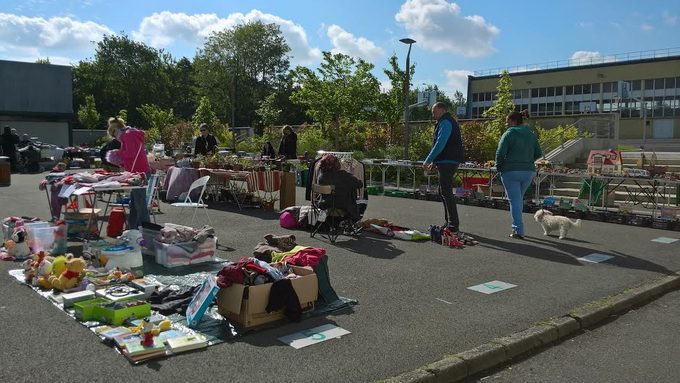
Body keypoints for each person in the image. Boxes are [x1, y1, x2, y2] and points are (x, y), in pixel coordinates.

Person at [422, 102, 475, 244]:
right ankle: (449, 223)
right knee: (443, 191)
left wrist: (428, 160)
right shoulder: (446, 121)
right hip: (447, 160)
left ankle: (453, 225)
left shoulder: (445, 122)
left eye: (434, 111)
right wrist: (435, 161)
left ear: (442, 109)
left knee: (446, 191)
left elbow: (441, 143)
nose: (433, 114)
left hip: (448, 160)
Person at [495, 110, 542, 239]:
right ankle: (517, 227)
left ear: (513, 121)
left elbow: (500, 153)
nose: (506, 124)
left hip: (510, 171)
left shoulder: (509, 134)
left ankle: (518, 230)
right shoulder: (531, 134)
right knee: (518, 199)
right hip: (528, 171)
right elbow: (538, 153)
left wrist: (499, 167)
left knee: (515, 201)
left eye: (507, 121)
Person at [107, 117, 151, 229]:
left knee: (139, 204)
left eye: (113, 133)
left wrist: (118, 153)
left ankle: (144, 229)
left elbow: (130, 154)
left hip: (139, 172)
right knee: (135, 204)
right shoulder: (130, 133)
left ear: (116, 129)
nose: (115, 137)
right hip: (139, 171)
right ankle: (134, 228)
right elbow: (132, 154)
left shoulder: (127, 135)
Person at [317, 154, 363, 222]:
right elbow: (359, 184)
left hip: (324, 204)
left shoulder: (321, 176)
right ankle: (353, 221)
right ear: (336, 164)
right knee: (359, 202)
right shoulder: (343, 175)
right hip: (342, 206)